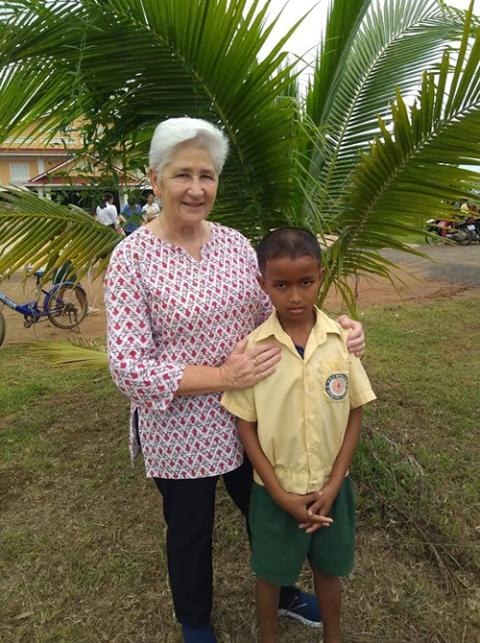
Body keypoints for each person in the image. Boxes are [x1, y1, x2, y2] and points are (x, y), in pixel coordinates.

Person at [104, 117, 366, 643]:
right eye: (182, 175)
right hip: (181, 429)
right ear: (155, 180)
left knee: (268, 510)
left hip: (255, 414)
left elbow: (278, 305)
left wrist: (335, 328)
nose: (196, 188)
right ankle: (196, 624)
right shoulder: (131, 258)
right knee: (191, 532)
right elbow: (128, 367)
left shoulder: (234, 246)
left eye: (207, 175)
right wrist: (221, 374)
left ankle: (284, 589)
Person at [221, 228, 376, 643]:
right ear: (262, 284)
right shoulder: (255, 349)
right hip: (276, 492)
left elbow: (355, 410)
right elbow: (245, 425)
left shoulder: (340, 342)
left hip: (331, 489)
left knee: (329, 569)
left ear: (320, 277)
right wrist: (276, 492)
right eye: (281, 285)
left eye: (305, 283)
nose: (294, 297)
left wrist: (336, 479)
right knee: (270, 573)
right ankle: (268, 636)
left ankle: (334, 636)